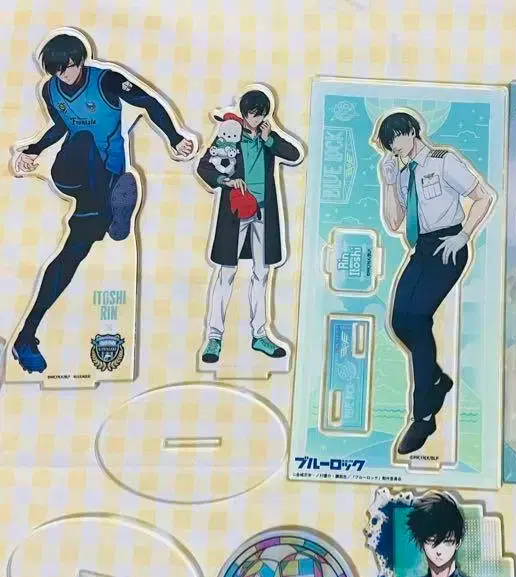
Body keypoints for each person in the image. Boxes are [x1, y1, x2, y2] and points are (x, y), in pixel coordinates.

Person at [11, 31, 194, 373]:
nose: (64, 76)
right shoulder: (51, 90)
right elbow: (60, 127)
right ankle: (112, 211)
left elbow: (149, 102)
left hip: (106, 174)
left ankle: (26, 336)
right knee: (81, 138)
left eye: (68, 68)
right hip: (72, 172)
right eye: (57, 71)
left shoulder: (106, 80)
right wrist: (33, 150)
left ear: (80, 61)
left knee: (71, 255)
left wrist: (174, 136)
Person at [377, 112, 494, 455]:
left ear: (412, 131)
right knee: (399, 321)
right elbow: (395, 222)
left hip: (448, 244)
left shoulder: (443, 161)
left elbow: (483, 196)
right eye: (389, 144)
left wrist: (464, 235)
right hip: (422, 248)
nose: (394, 147)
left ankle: (423, 417)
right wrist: (388, 183)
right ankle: (437, 380)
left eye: (396, 138)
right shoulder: (402, 174)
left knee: (416, 320)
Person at [198, 88, 303, 363]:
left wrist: (269, 140)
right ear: (244, 113)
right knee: (226, 272)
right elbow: (204, 167)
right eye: (252, 114)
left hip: (263, 211)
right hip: (234, 211)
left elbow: (294, 154)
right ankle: (214, 338)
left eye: (260, 115)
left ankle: (259, 335)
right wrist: (226, 180)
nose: (255, 119)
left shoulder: (268, 136)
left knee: (262, 273)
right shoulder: (229, 135)